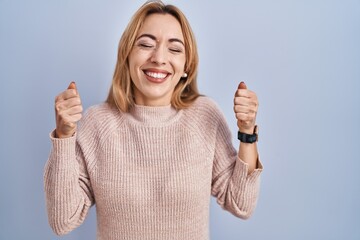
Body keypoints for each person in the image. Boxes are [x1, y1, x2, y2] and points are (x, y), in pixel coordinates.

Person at [44, 1, 263, 239]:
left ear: (187, 66)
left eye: (175, 49)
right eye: (146, 44)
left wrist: (247, 132)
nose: (159, 58)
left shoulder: (205, 116)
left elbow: (241, 204)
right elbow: (62, 220)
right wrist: (64, 136)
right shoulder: (98, 123)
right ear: (127, 56)